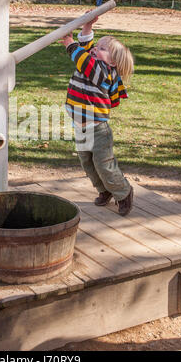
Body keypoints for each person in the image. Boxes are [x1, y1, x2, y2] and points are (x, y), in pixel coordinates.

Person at [59, 15, 134, 216]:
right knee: (88, 163)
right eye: (96, 46)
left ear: (113, 62)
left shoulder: (103, 72)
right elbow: (86, 48)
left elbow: (82, 57)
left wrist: (69, 43)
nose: (95, 49)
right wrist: (87, 27)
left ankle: (123, 192)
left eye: (101, 49)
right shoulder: (93, 62)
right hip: (81, 127)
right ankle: (104, 191)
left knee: (104, 164)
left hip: (98, 129)